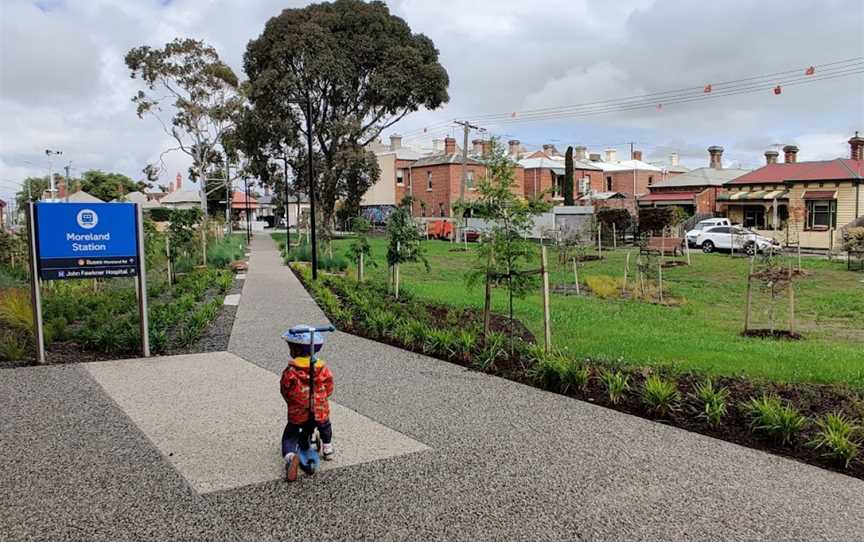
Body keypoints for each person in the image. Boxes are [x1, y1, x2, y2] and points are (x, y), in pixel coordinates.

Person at [280, 325, 335, 482]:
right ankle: (327, 448)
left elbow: (285, 387)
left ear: (296, 350)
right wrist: (323, 397)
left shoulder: (292, 370)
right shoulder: (322, 369)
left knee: (291, 432)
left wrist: (291, 400)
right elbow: (329, 385)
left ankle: (291, 456)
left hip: (298, 410)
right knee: (324, 424)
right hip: (319, 408)